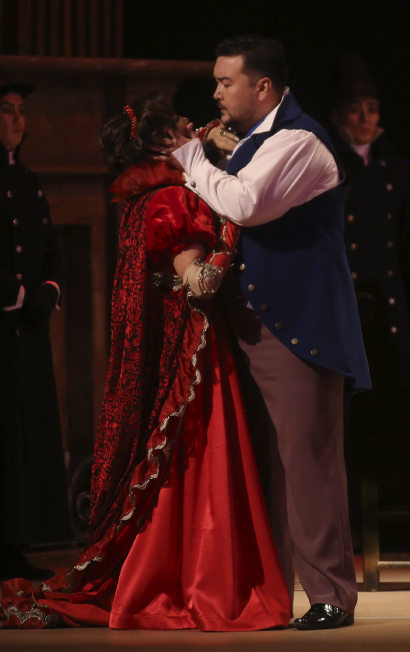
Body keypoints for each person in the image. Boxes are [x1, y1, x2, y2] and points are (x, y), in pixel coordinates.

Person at [0, 94, 291, 631]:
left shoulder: (148, 198)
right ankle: (197, 579)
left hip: (182, 352)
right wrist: (234, 225)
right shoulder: (172, 201)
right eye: (185, 124)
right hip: (193, 361)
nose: (197, 125)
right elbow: (199, 282)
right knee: (194, 464)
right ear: (164, 142)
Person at [169, 35, 371, 630]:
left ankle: (331, 594)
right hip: (246, 323)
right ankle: (268, 593)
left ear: (262, 87)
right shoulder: (251, 141)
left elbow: (245, 203)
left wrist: (189, 157)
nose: (215, 92)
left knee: (308, 464)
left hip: (297, 325)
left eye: (224, 81)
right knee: (260, 467)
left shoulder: (300, 140)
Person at [0, 47, 70, 586]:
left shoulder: (27, 179)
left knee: (21, 436)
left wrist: (48, 290)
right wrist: (18, 296)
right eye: (7, 109)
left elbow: (50, 248)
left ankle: (8, 549)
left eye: (20, 110)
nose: (18, 119)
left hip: (24, 331)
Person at [330, 54, 410, 538]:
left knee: (391, 412)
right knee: (349, 419)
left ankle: (392, 524)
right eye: (355, 107)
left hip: (389, 306)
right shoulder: (328, 165)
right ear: (339, 113)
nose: (365, 117)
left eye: (372, 108)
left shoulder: (394, 167)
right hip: (345, 304)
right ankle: (353, 528)